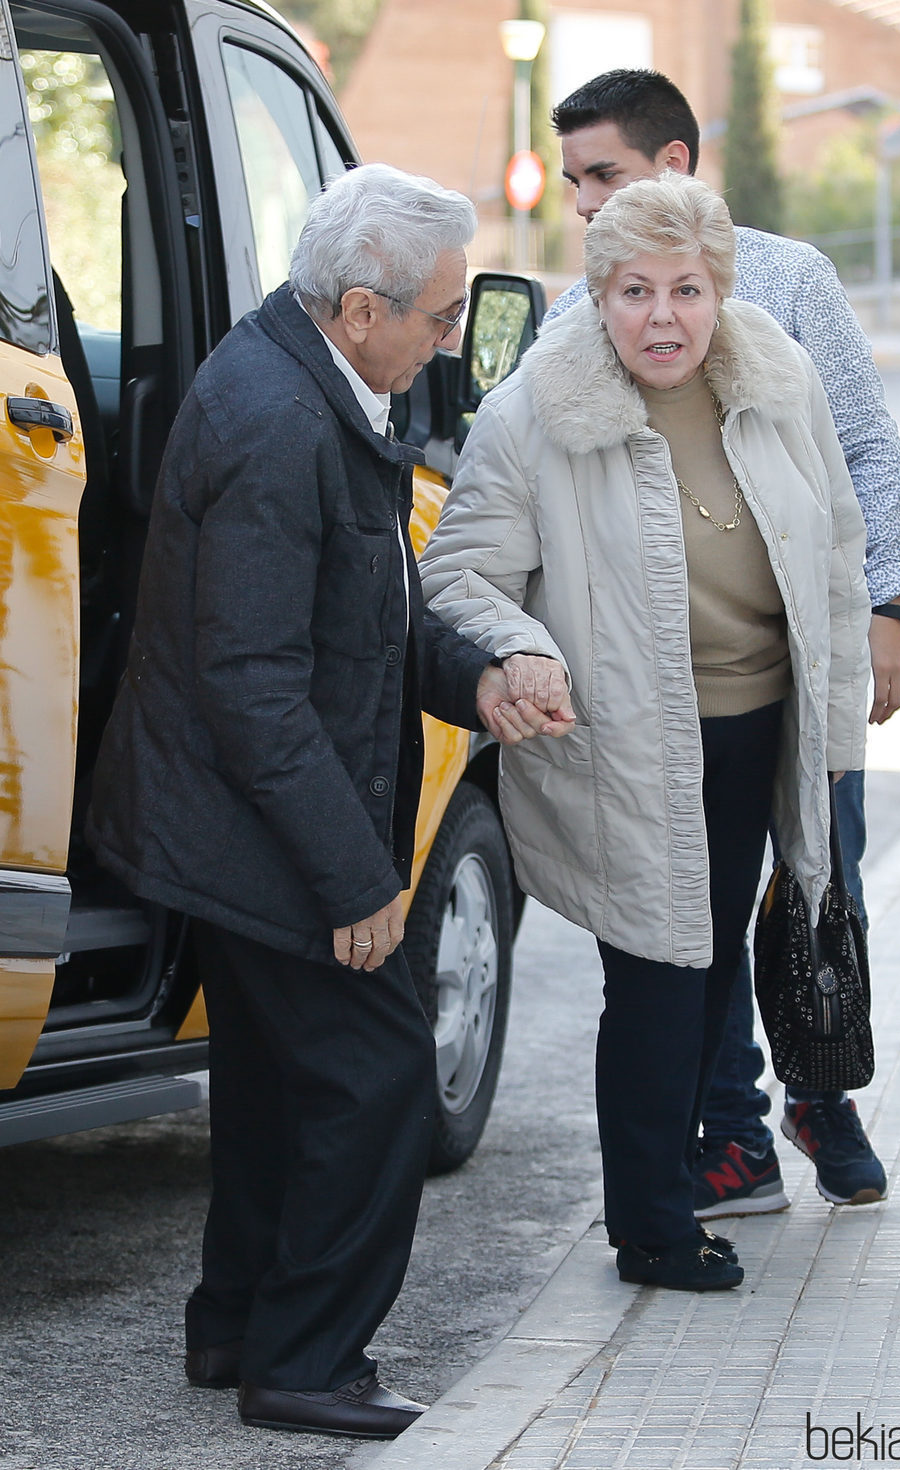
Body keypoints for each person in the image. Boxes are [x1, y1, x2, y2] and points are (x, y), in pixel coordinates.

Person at [85, 163, 568, 1440]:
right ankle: (307, 1362)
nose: (450, 339)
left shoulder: (314, 383)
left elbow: (371, 616)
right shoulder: (280, 422)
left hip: (242, 816)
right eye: (442, 315)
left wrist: (482, 677)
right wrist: (359, 882)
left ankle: (240, 1327)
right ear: (362, 308)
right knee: (374, 1074)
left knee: (271, 1080)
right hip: (251, 828)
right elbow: (252, 686)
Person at [420, 171, 871, 1292]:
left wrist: (835, 734)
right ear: (597, 292)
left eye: (684, 289)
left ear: (717, 290)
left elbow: (833, 548)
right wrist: (518, 647)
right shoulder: (539, 403)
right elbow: (460, 572)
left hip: (760, 733)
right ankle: (652, 1228)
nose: (659, 316)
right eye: (631, 291)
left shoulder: (772, 369)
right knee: (659, 984)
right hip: (627, 744)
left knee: (715, 976)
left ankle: (682, 1182)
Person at [547, 68, 900, 1217]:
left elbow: (867, 452)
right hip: (677, 691)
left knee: (816, 893)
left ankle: (823, 1097)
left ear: (674, 166)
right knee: (691, 925)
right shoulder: (586, 307)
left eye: (600, 173)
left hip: (804, 672)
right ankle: (733, 1140)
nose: (581, 202)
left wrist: (889, 608)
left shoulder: (790, 279)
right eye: (570, 183)